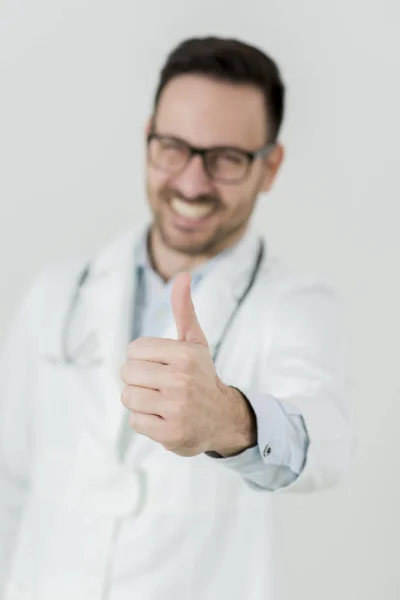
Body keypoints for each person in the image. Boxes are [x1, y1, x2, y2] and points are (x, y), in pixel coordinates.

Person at [0, 36, 354, 600]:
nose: (192, 183)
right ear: (148, 141)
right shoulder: (57, 293)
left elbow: (328, 447)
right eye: (174, 147)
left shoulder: (294, 304)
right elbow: (10, 480)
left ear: (270, 166)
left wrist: (230, 422)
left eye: (226, 159)